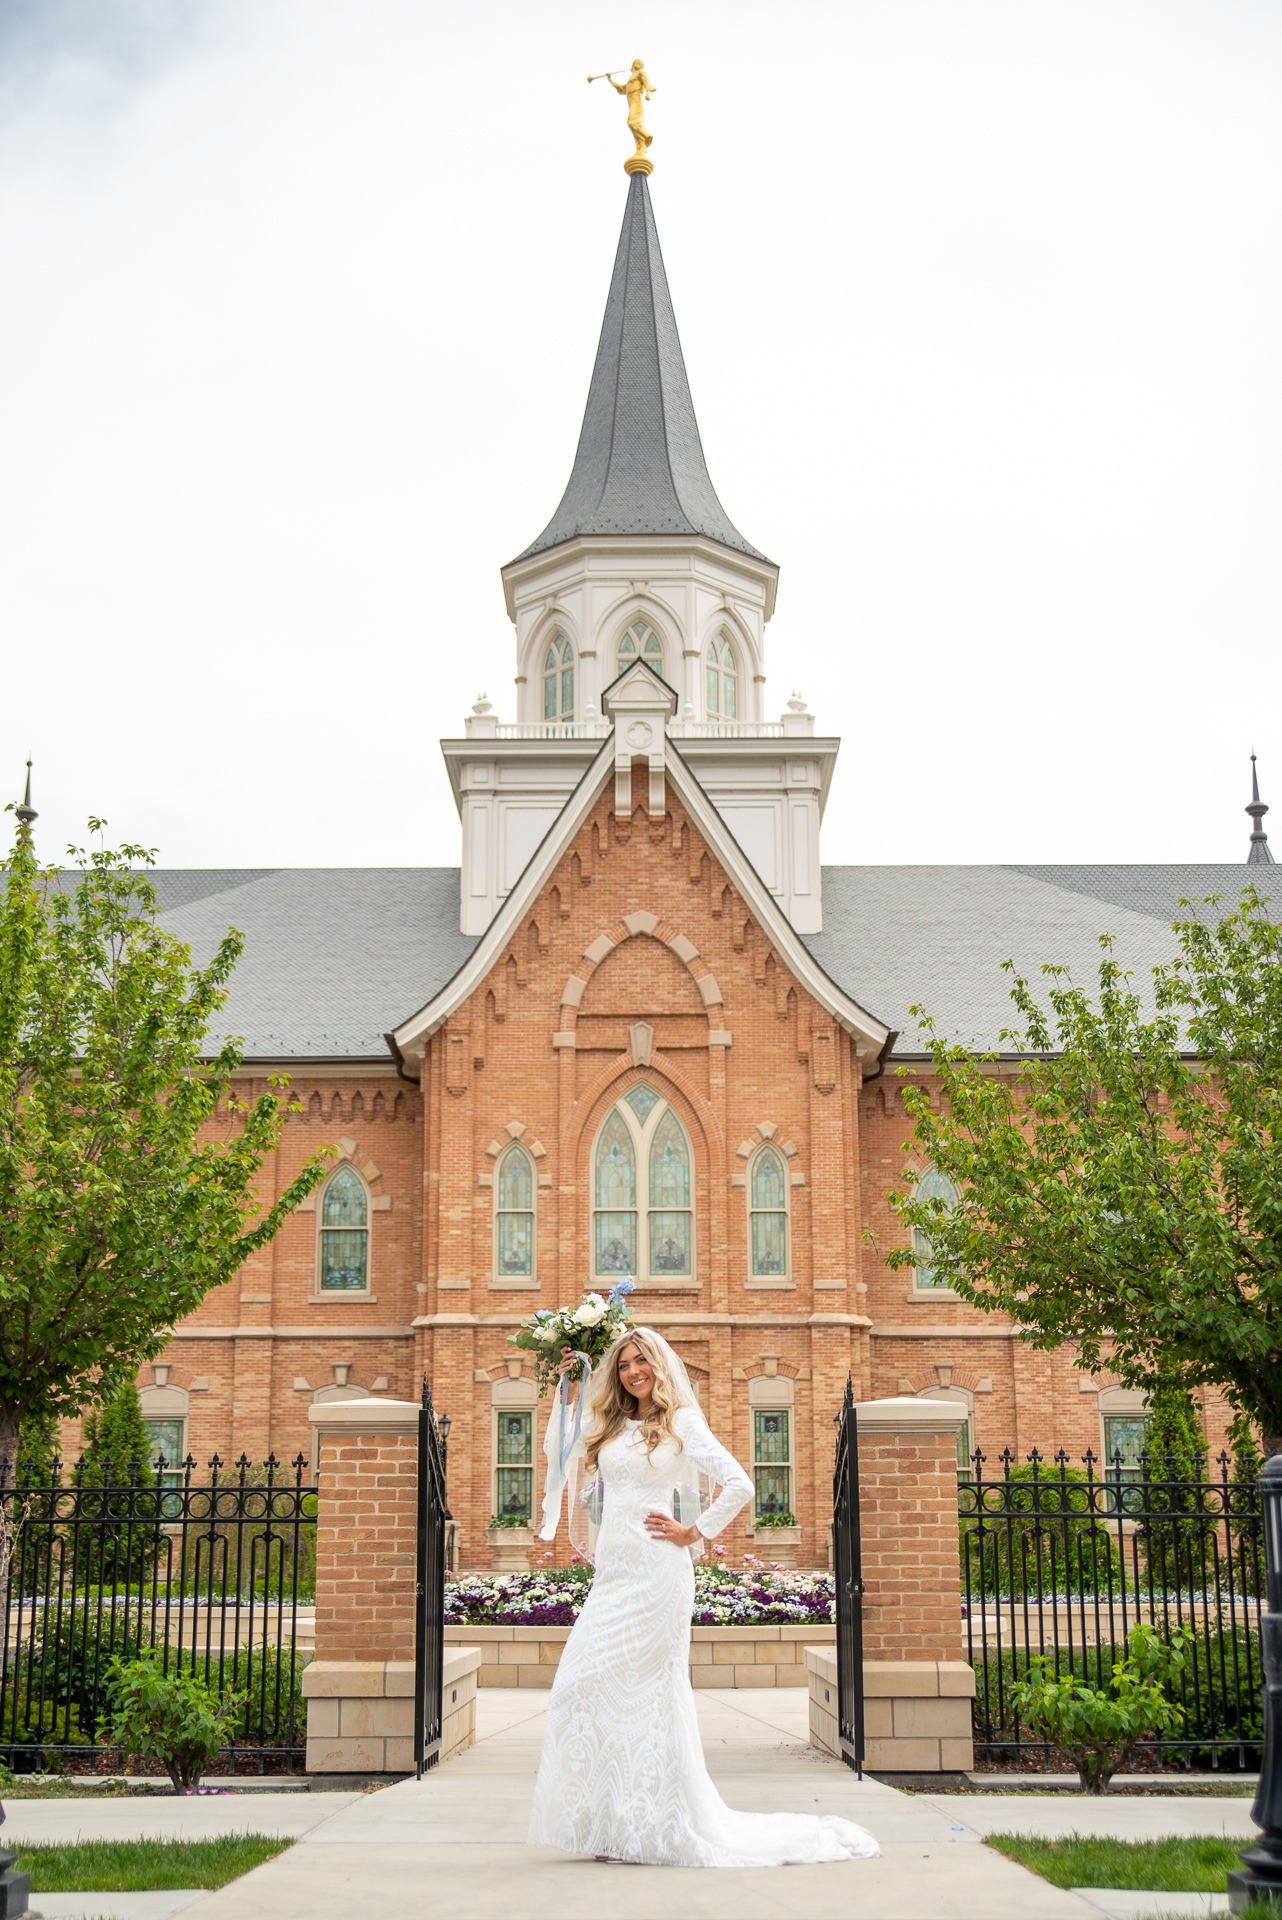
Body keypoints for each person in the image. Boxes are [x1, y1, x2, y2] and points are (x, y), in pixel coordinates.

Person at [527, 1325, 880, 1868]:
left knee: (648, 1694)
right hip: (615, 1575)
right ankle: (618, 1818)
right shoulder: (615, 1423)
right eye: (623, 1365)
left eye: (641, 1362)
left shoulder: (682, 1422)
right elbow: (562, 1448)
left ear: (660, 1367)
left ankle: (647, 1826)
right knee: (585, 1686)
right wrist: (569, 1384)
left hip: (658, 1573)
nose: (633, 1372)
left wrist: (695, 1532)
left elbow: (740, 1483)